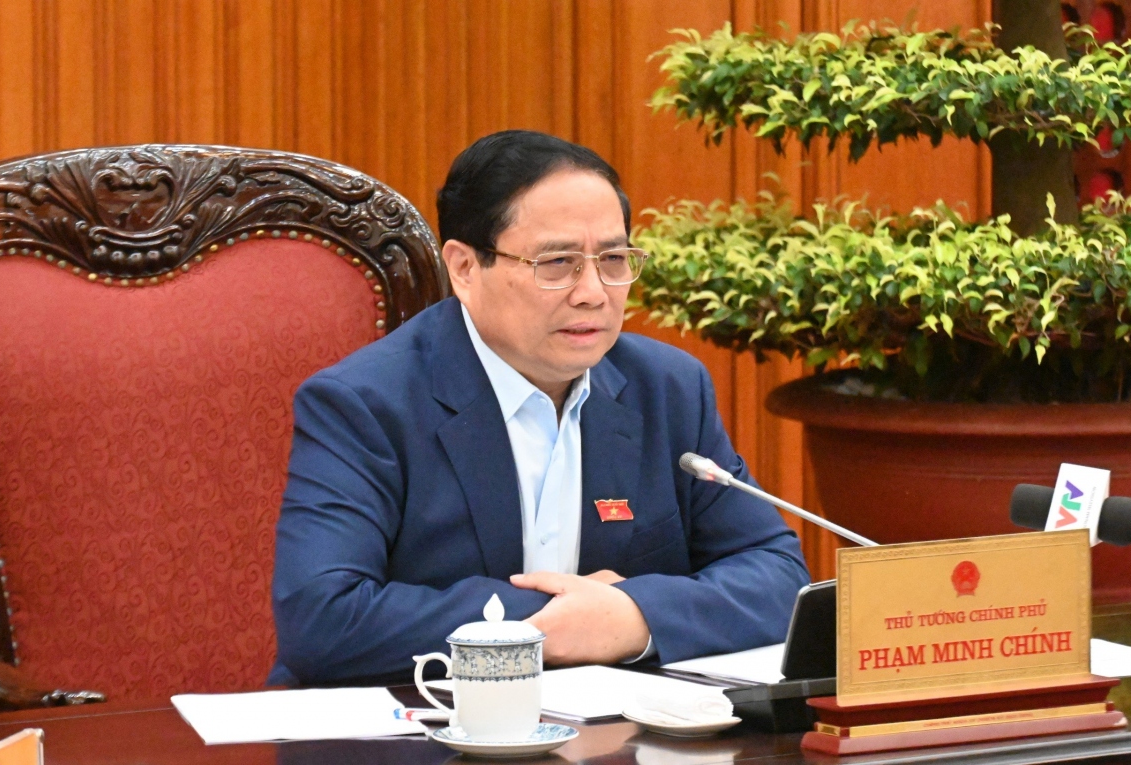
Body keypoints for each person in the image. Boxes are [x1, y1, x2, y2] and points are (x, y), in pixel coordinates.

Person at [269, 130, 810, 686]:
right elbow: (322, 619)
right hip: (422, 717)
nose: (593, 292)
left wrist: (634, 615)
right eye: (557, 262)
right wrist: (553, 623)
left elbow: (778, 576)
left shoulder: (667, 389)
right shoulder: (366, 403)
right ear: (465, 268)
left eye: (613, 259)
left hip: (614, 723)